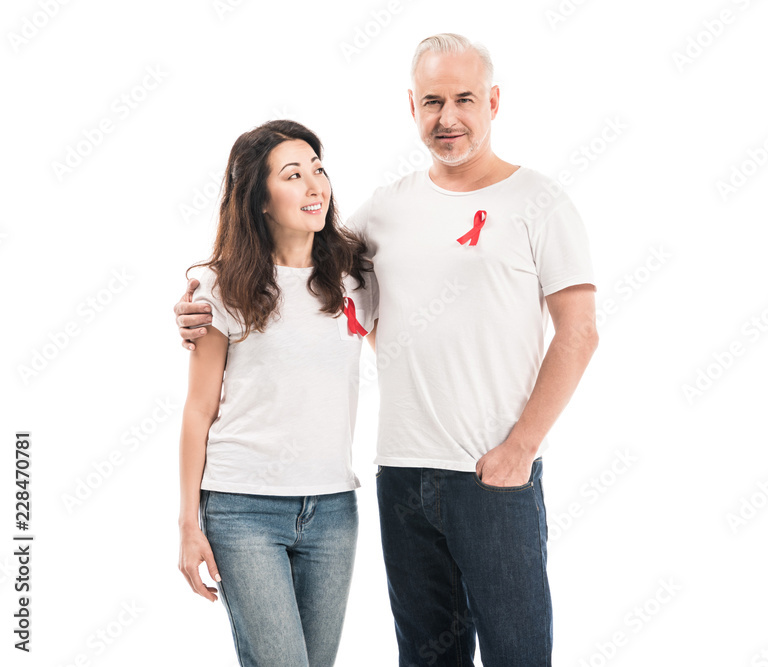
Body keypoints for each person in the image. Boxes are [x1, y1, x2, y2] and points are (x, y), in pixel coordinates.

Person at [175, 34, 598, 666]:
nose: (447, 118)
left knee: (520, 654)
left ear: (494, 102)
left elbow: (580, 331)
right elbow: (315, 293)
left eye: (464, 99)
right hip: (400, 477)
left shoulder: (538, 201)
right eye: (432, 101)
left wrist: (522, 448)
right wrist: (200, 307)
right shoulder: (383, 213)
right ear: (412, 107)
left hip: (493, 474)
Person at [176, 119, 376, 667]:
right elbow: (199, 410)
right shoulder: (220, 287)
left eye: (318, 169)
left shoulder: (355, 278)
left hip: (334, 509)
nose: (315, 186)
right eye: (293, 175)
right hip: (242, 510)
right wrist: (188, 524)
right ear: (260, 199)